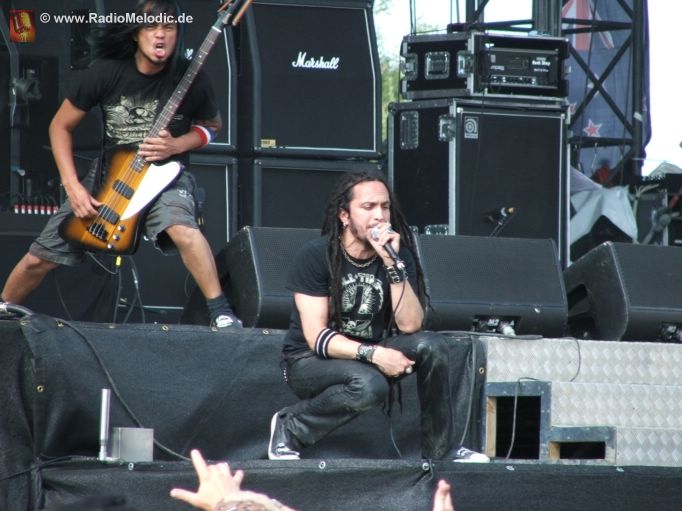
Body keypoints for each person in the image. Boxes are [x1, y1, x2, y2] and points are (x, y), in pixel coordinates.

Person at [0, 0, 240, 328]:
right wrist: (72, 186)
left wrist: (178, 144)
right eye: (151, 27)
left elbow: (212, 127)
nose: (160, 35)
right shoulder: (105, 73)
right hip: (109, 177)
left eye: (169, 27)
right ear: (135, 34)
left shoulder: (192, 77)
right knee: (37, 259)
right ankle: (3, 309)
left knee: (182, 229)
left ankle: (221, 312)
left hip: (166, 177)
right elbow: (59, 127)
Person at [267, 170, 489, 463]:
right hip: (309, 359)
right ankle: (291, 426)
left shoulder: (397, 255)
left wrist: (391, 263)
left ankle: (440, 450)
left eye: (385, 207)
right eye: (368, 207)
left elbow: (411, 324)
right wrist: (375, 354)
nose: (379, 216)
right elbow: (316, 337)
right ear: (345, 216)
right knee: (371, 385)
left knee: (431, 345)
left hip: (368, 350)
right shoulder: (316, 255)